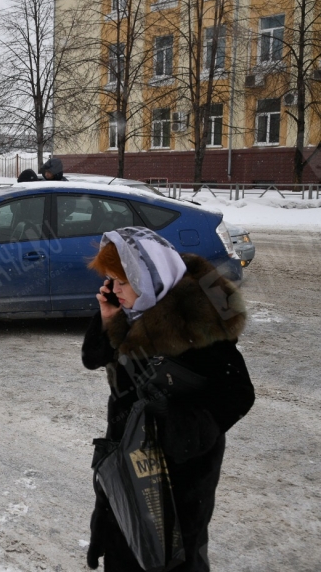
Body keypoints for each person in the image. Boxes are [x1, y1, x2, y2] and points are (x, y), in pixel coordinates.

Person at [82, 227, 254, 571]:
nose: (113, 290)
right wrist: (107, 321)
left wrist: (176, 421)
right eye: (110, 281)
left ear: (149, 277)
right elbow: (93, 357)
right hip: (128, 455)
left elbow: (238, 394)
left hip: (182, 471)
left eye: (121, 281)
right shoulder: (130, 310)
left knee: (174, 556)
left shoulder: (195, 322)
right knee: (124, 540)